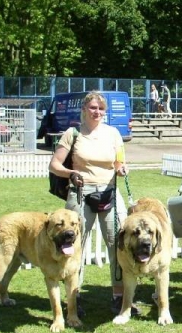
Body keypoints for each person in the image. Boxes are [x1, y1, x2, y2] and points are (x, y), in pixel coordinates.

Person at [49, 91, 130, 316]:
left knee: (119, 245)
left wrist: (121, 168)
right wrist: (71, 172)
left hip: (109, 193)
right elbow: (54, 165)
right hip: (81, 193)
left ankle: (119, 296)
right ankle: (74, 298)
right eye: (93, 108)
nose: (97, 112)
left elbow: (119, 161)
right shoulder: (72, 133)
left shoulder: (113, 134)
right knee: (74, 247)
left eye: (101, 109)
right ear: (84, 110)